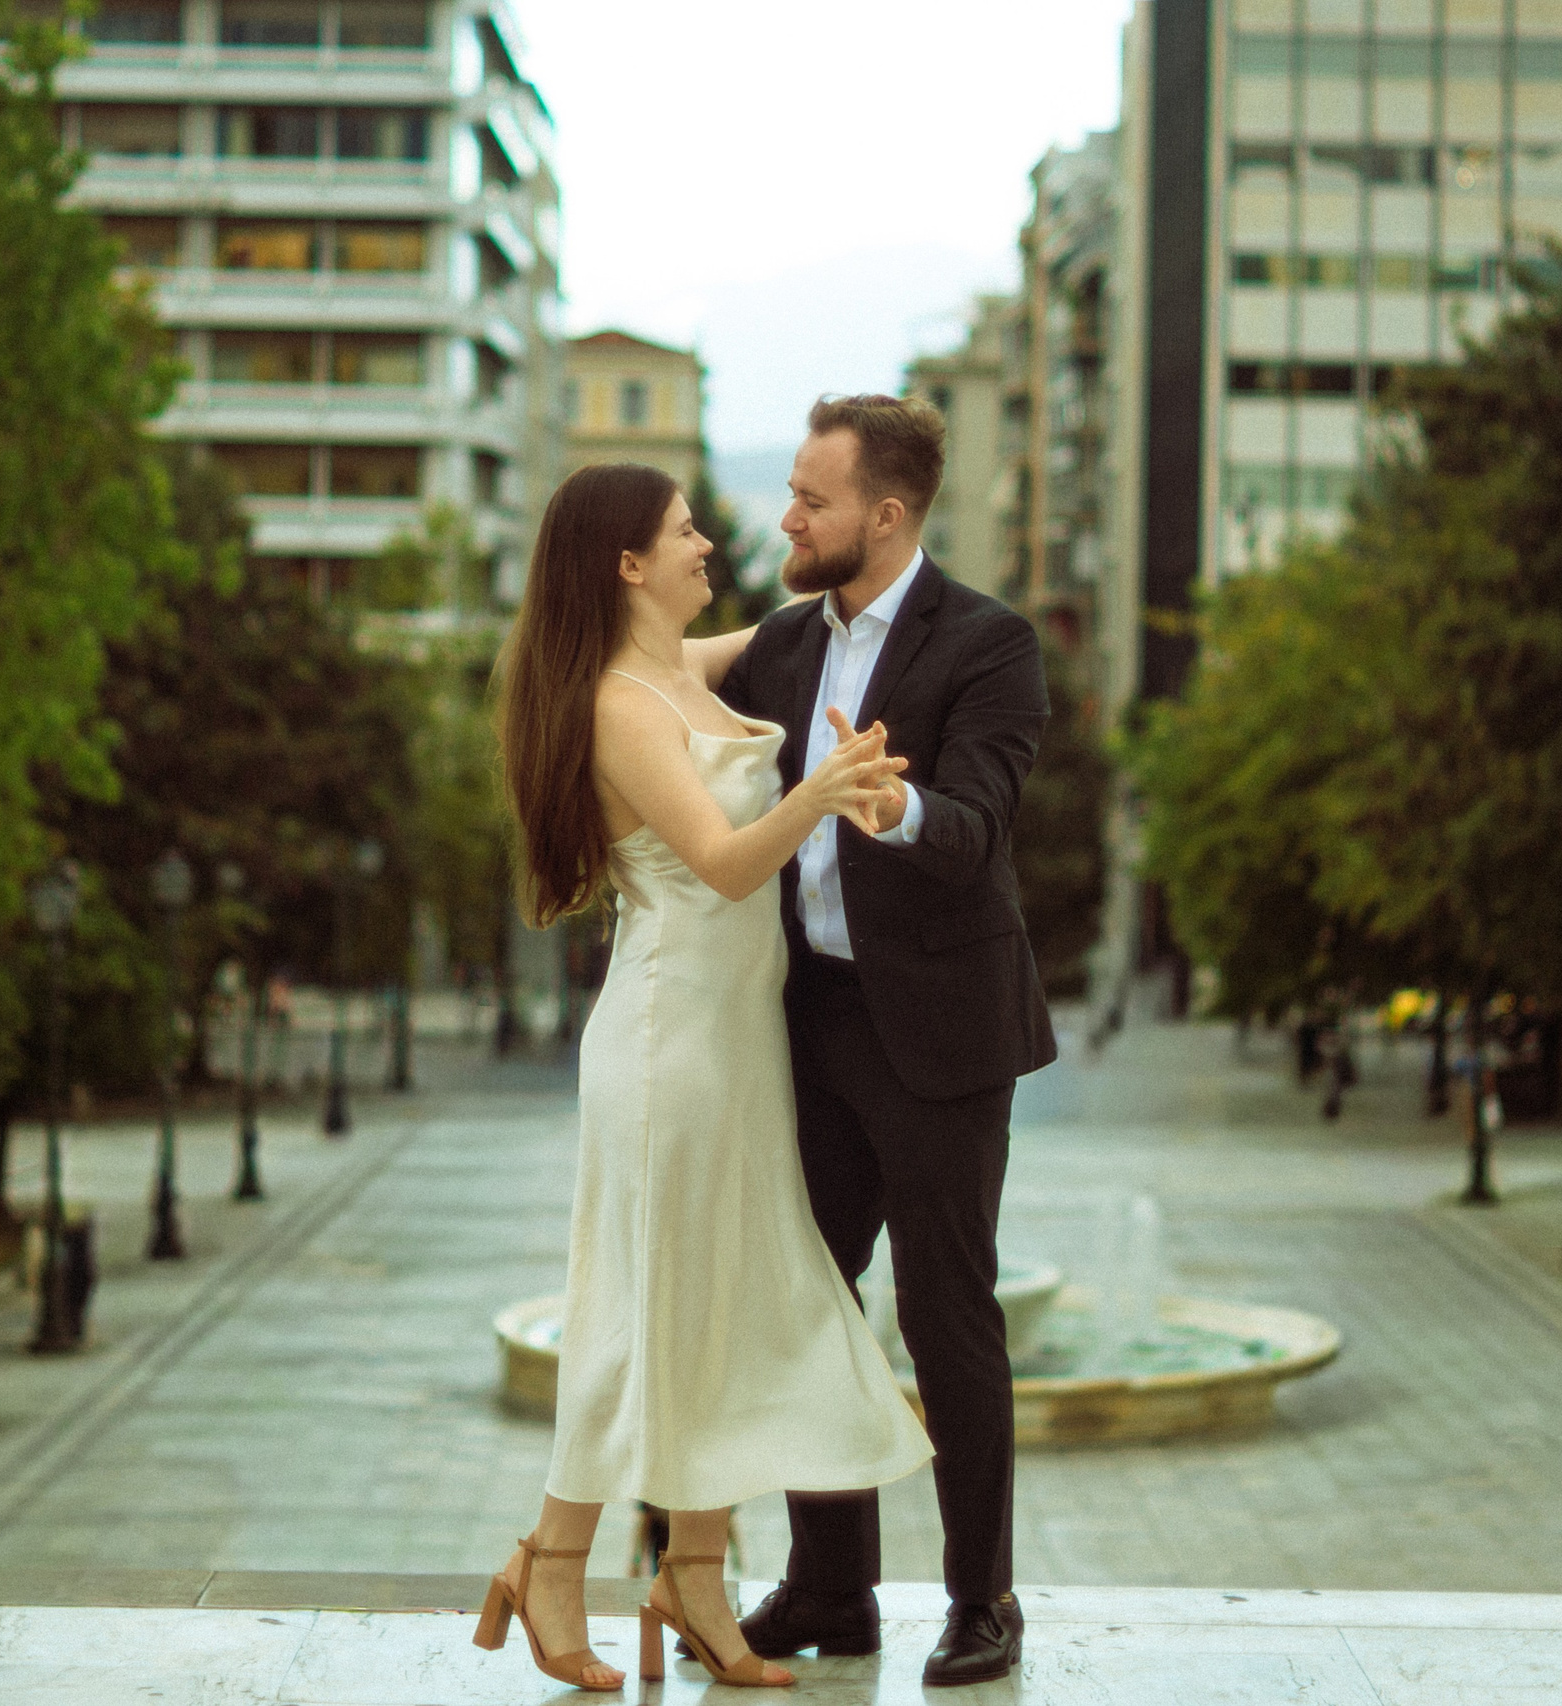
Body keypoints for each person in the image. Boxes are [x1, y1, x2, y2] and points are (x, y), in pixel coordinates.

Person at [478, 460, 934, 1693]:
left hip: (737, 1045)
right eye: (685, 532)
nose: (707, 546)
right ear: (627, 563)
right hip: (665, 1042)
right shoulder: (618, 704)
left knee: (719, 1304)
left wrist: (868, 544)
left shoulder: (683, 668)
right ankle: (551, 1560)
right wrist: (823, 792)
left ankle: (692, 1570)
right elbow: (726, 864)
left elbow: (802, 623)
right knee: (636, 1307)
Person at [715, 394, 1054, 1688]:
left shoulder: (991, 644)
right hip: (810, 1023)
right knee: (804, 1302)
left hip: (943, 1034)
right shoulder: (782, 643)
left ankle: (983, 1600)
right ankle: (831, 1585)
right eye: (791, 495)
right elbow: (661, 680)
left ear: (889, 515)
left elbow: (978, 825)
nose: (788, 521)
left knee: (946, 1314)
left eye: (813, 501)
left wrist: (892, 801)